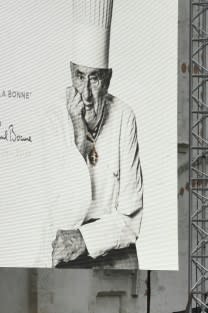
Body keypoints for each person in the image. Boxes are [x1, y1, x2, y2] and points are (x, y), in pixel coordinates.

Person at [50, 0, 143, 269]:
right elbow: (58, 215)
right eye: (80, 77)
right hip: (66, 246)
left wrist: (85, 238)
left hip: (115, 250)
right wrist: (79, 136)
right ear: (71, 73)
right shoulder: (53, 118)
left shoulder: (124, 116)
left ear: (108, 78)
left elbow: (131, 218)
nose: (86, 94)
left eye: (95, 78)